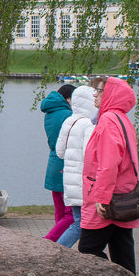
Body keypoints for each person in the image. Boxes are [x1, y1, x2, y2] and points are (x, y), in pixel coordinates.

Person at [79, 75, 139, 273]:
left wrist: (102, 198)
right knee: (123, 252)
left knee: (88, 249)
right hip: (124, 195)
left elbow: (108, 163)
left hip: (108, 199)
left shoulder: (107, 121)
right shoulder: (122, 119)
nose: (94, 94)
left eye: (99, 90)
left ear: (111, 94)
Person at [54, 85, 96, 248]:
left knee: (78, 220)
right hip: (83, 180)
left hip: (69, 179)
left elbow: (60, 152)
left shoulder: (69, 121)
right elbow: (89, 155)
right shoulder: (88, 124)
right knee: (80, 223)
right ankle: (58, 251)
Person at [41, 84, 75, 241]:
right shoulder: (68, 115)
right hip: (66, 164)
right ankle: (50, 241)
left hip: (53, 163)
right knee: (71, 214)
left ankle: (58, 246)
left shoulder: (50, 113)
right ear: (68, 98)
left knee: (60, 210)